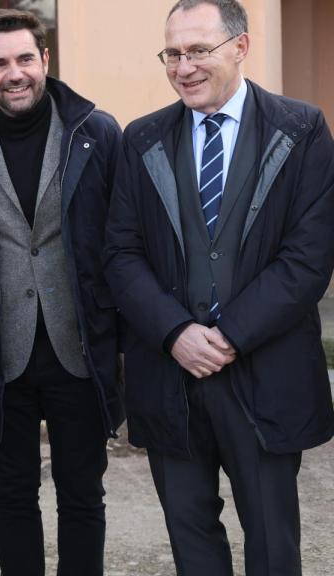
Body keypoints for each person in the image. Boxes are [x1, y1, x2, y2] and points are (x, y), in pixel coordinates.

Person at [104, 1, 334, 574]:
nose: (184, 67)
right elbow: (121, 254)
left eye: (199, 50)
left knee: (273, 547)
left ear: (241, 47)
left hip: (266, 375)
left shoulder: (301, 129)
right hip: (170, 379)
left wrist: (229, 335)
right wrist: (176, 331)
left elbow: (307, 259)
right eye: (173, 54)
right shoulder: (142, 138)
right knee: (192, 546)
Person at [0, 9, 123, 575]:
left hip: (80, 346)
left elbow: (123, 244)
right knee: (12, 496)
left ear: (45, 60)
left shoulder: (97, 133)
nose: (14, 73)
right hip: (1, 355)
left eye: (24, 59)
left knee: (83, 496)